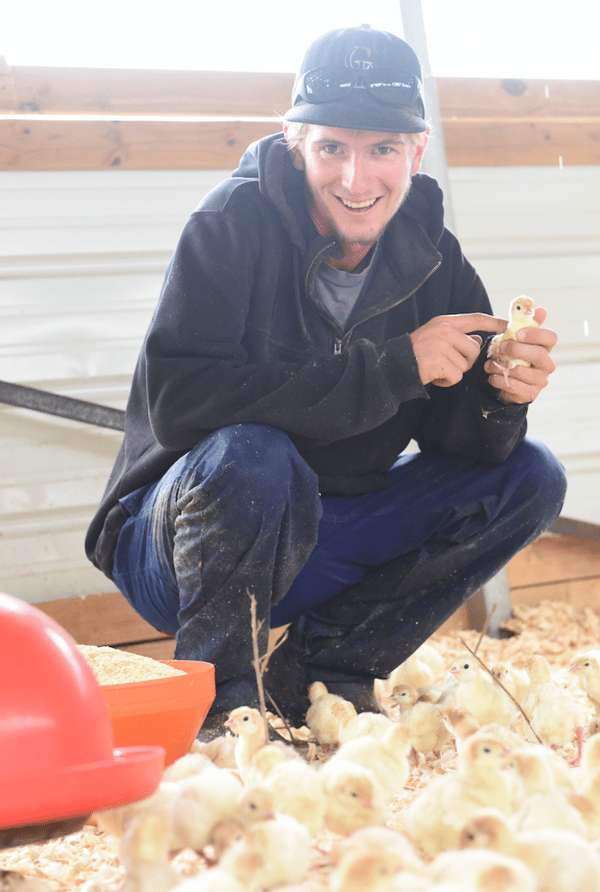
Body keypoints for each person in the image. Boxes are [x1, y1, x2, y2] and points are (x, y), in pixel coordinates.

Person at [85, 24, 566, 737]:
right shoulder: (227, 226)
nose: (356, 179)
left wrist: (498, 399)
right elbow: (184, 406)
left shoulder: (434, 255)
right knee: (252, 454)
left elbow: (459, 446)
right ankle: (227, 714)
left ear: (417, 150)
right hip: (183, 547)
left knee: (531, 478)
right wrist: (396, 364)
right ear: (293, 142)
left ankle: (319, 676)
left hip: (328, 531)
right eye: (332, 148)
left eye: (383, 150)